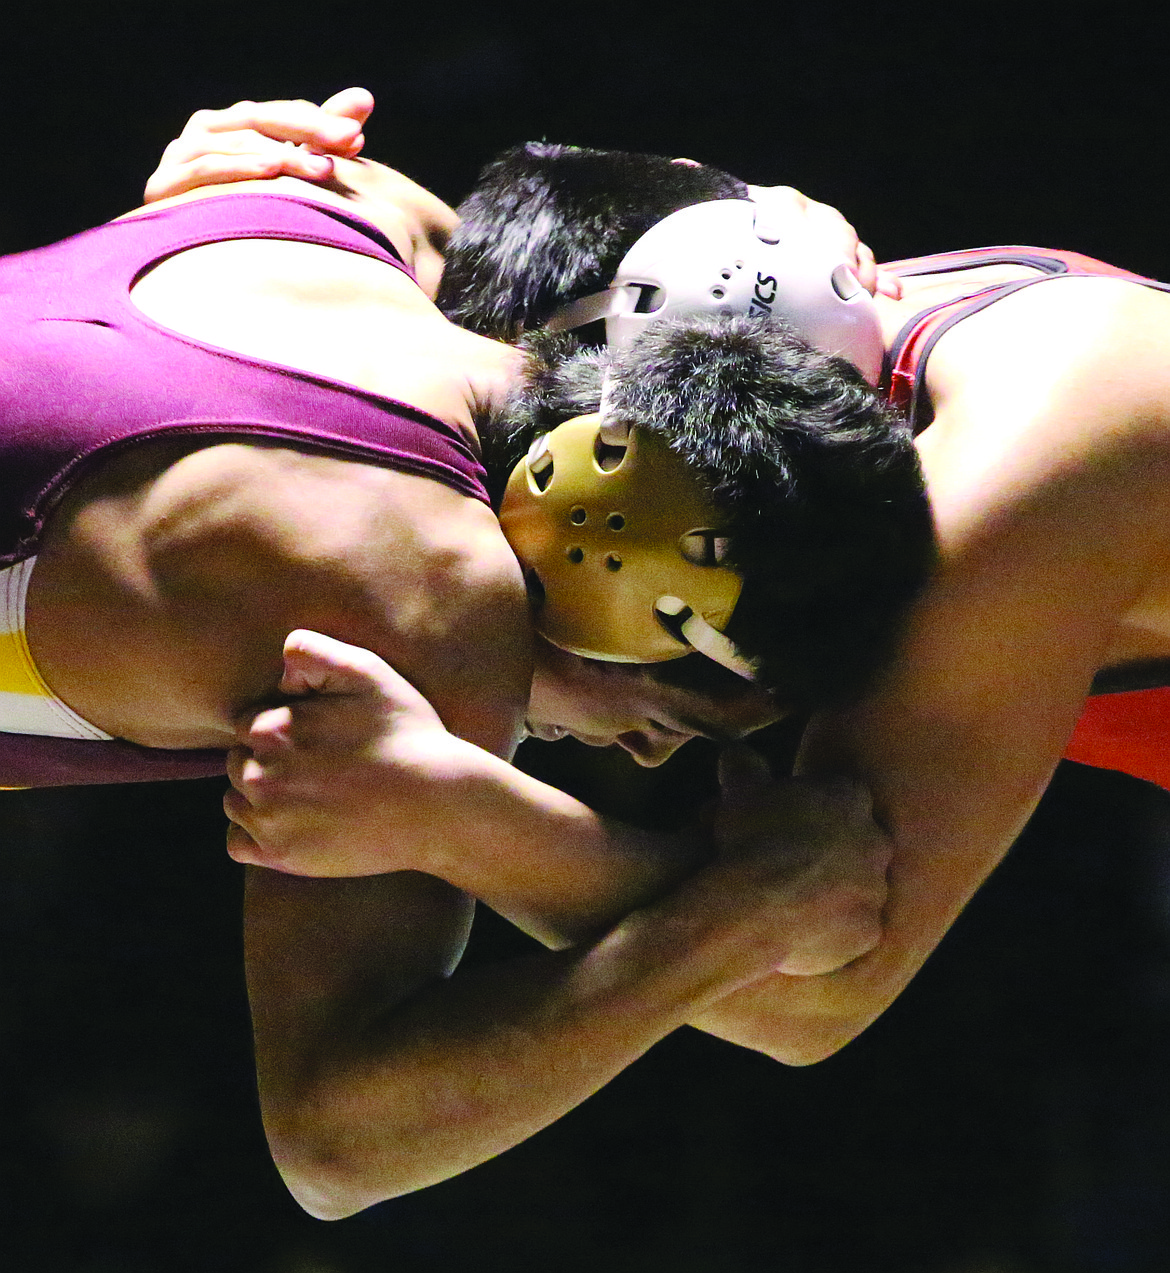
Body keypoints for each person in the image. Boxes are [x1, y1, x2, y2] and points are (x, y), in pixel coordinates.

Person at [164, 93, 1170, 1216]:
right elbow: (498, 242)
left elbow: (822, 983)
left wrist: (463, 816)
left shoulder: (1032, 451)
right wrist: (265, 181)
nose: (639, 754)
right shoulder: (735, 303)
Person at [0, 92, 923, 1215]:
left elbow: (640, 232)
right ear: (603, 552)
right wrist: (728, 923)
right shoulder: (415, 585)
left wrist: (786, 231)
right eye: (670, 719)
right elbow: (336, 1143)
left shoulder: (335, 206)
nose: (635, 754)